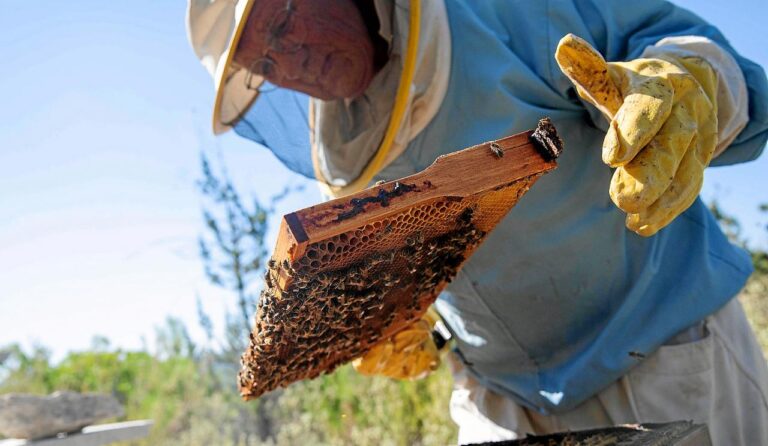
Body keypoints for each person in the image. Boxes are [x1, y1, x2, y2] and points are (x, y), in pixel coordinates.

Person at [187, 0, 768, 443]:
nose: (291, 62)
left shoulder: (500, 12)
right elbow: (445, 263)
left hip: (660, 353)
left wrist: (687, 83)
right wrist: (408, 323)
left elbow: (676, 45)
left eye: (284, 25)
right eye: (263, 64)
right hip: (499, 400)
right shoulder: (338, 153)